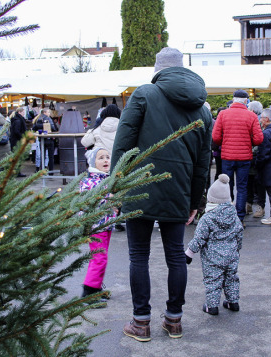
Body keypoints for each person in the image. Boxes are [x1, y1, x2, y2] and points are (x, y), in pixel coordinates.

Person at [112, 47, 212, 342]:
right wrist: (196, 202)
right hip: (179, 189)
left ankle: (140, 322)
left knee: (139, 256)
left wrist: (116, 186)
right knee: (176, 257)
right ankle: (174, 321)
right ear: (183, 69)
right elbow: (203, 163)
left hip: (139, 185)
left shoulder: (144, 94)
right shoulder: (203, 109)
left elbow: (122, 145)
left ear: (158, 69)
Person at [185, 174, 243, 315]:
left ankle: (212, 306)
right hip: (231, 255)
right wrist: (237, 248)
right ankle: (233, 302)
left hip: (212, 258)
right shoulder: (234, 215)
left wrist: (189, 253)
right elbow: (239, 233)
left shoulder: (207, 218)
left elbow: (199, 238)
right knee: (231, 278)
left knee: (213, 281)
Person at [212, 89, 264, 223]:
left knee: (226, 186)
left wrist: (225, 142)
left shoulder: (223, 114)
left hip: (227, 156)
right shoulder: (251, 116)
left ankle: (227, 216)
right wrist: (248, 142)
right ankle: (239, 217)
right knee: (242, 187)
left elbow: (215, 137)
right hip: (244, 157)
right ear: (246, 101)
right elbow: (258, 139)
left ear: (233, 99)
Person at [79, 147, 118, 306]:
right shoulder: (91, 180)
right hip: (96, 226)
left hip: (106, 224)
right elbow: (91, 200)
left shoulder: (105, 179)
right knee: (99, 258)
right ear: (93, 162)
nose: (106, 160)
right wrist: (109, 198)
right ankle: (89, 293)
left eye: (108, 157)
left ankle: (96, 287)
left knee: (102, 257)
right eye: (101, 158)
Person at [246, 100, 264, 217]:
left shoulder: (253, 120)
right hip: (258, 156)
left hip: (251, 155)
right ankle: (259, 207)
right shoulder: (262, 121)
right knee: (258, 183)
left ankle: (249, 205)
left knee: (249, 182)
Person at [32, 108, 58, 172]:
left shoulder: (37, 119)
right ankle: (51, 171)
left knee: (41, 155)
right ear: (45, 113)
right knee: (50, 156)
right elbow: (53, 128)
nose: (49, 114)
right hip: (49, 138)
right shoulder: (49, 119)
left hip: (41, 139)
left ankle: (41, 170)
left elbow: (34, 128)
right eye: (48, 112)